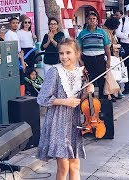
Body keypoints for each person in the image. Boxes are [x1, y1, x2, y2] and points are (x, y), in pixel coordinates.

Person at [37, 38, 94, 180]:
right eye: (61, 53)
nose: (64, 56)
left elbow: (79, 102)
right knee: (63, 167)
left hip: (74, 123)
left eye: (68, 52)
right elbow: (42, 98)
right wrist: (64, 101)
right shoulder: (54, 72)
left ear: (77, 54)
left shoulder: (81, 73)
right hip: (58, 123)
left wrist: (87, 92)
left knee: (75, 165)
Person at [77, 11, 111, 99]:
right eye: (90, 19)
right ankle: (91, 107)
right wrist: (80, 61)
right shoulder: (82, 34)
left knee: (101, 83)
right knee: (89, 84)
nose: (92, 20)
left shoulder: (102, 32)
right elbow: (79, 49)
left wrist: (108, 60)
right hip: (87, 61)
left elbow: (107, 48)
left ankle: (102, 106)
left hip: (100, 60)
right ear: (87, 21)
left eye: (94, 19)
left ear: (97, 21)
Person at [102, 17, 124, 101]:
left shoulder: (109, 32)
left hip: (112, 56)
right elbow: (108, 45)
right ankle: (112, 93)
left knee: (112, 76)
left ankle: (114, 93)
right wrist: (117, 46)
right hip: (110, 56)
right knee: (111, 76)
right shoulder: (106, 32)